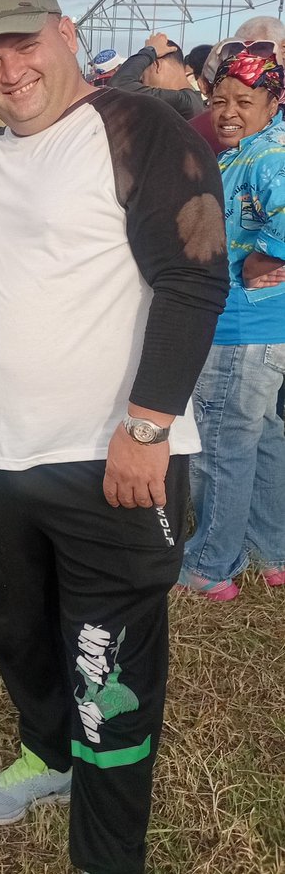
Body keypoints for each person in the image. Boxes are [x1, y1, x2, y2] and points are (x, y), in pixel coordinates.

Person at [0, 0, 228, 874]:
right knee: (18, 627)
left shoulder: (137, 130)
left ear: (65, 33)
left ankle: (112, 868)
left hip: (112, 459)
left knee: (107, 663)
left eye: (24, 44)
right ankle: (49, 752)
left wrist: (146, 426)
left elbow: (194, 276)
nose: (10, 71)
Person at [176, 51, 285, 600]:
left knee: (221, 445)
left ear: (274, 101)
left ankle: (209, 563)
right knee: (263, 440)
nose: (227, 112)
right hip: (264, 328)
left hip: (242, 327)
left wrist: (266, 255)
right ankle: (271, 550)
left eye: (244, 101)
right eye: (219, 100)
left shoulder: (270, 156)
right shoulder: (252, 151)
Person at [109, 33, 203, 119]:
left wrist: (149, 51)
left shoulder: (182, 102)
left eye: (143, 77)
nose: (143, 84)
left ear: (157, 65)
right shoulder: (193, 101)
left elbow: (117, 85)